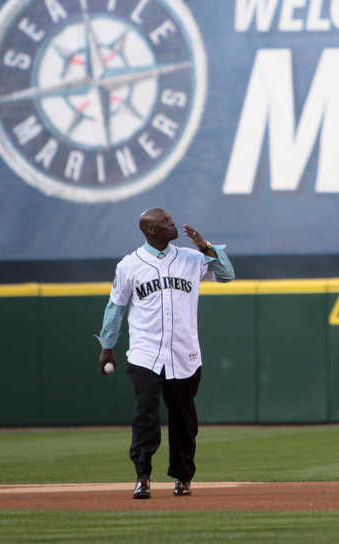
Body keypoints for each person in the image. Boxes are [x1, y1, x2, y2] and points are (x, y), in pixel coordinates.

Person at [96, 208, 235, 499]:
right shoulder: (129, 265)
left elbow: (227, 276)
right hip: (145, 354)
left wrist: (206, 248)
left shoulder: (191, 257)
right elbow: (116, 307)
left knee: (184, 418)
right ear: (150, 231)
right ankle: (143, 477)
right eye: (165, 222)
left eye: (170, 220)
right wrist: (107, 347)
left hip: (184, 355)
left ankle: (183, 477)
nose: (172, 224)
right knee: (145, 415)